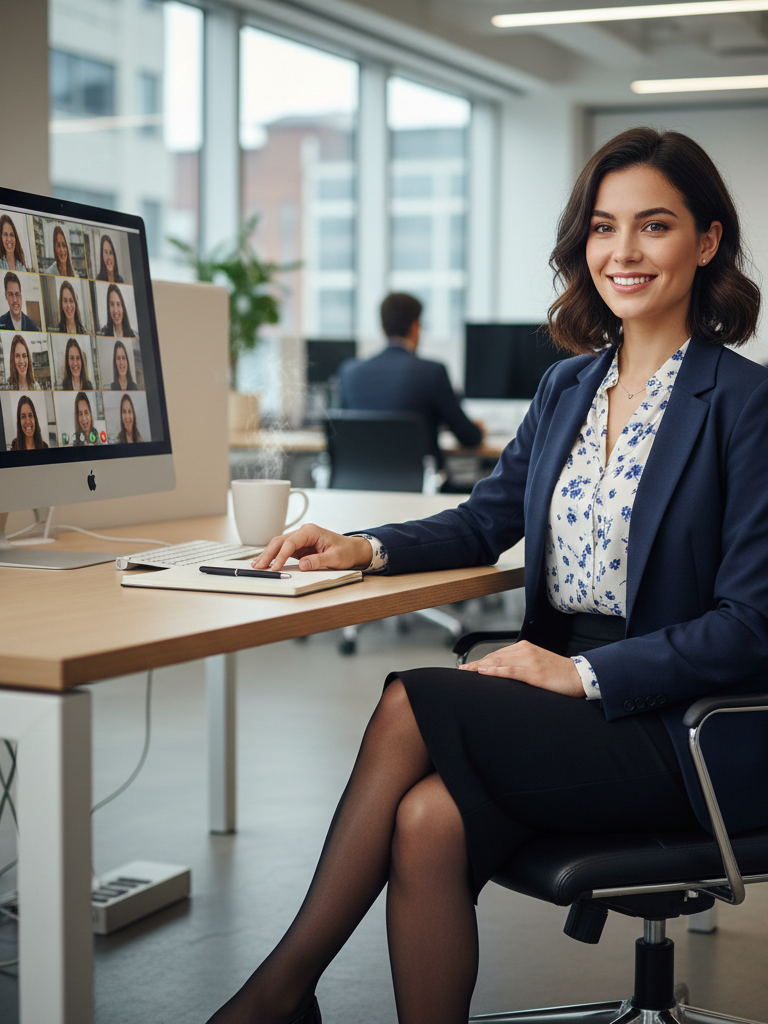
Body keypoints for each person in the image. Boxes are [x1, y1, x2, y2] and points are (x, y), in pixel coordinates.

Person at [205, 127, 768, 1024]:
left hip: (683, 723)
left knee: (406, 699)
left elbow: (750, 624)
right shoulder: (566, 389)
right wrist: (365, 545)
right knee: (428, 822)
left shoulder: (746, 405)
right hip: (566, 701)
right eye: (601, 227)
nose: (622, 253)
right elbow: (483, 522)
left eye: (653, 227)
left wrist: (579, 673)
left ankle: (278, 994)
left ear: (705, 242)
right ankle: (287, 998)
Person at [339, 292, 484, 468]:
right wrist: (479, 430)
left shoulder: (349, 373)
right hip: (421, 488)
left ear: (382, 327)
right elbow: (469, 437)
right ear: (415, 326)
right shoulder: (432, 372)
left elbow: (343, 433)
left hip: (362, 486)